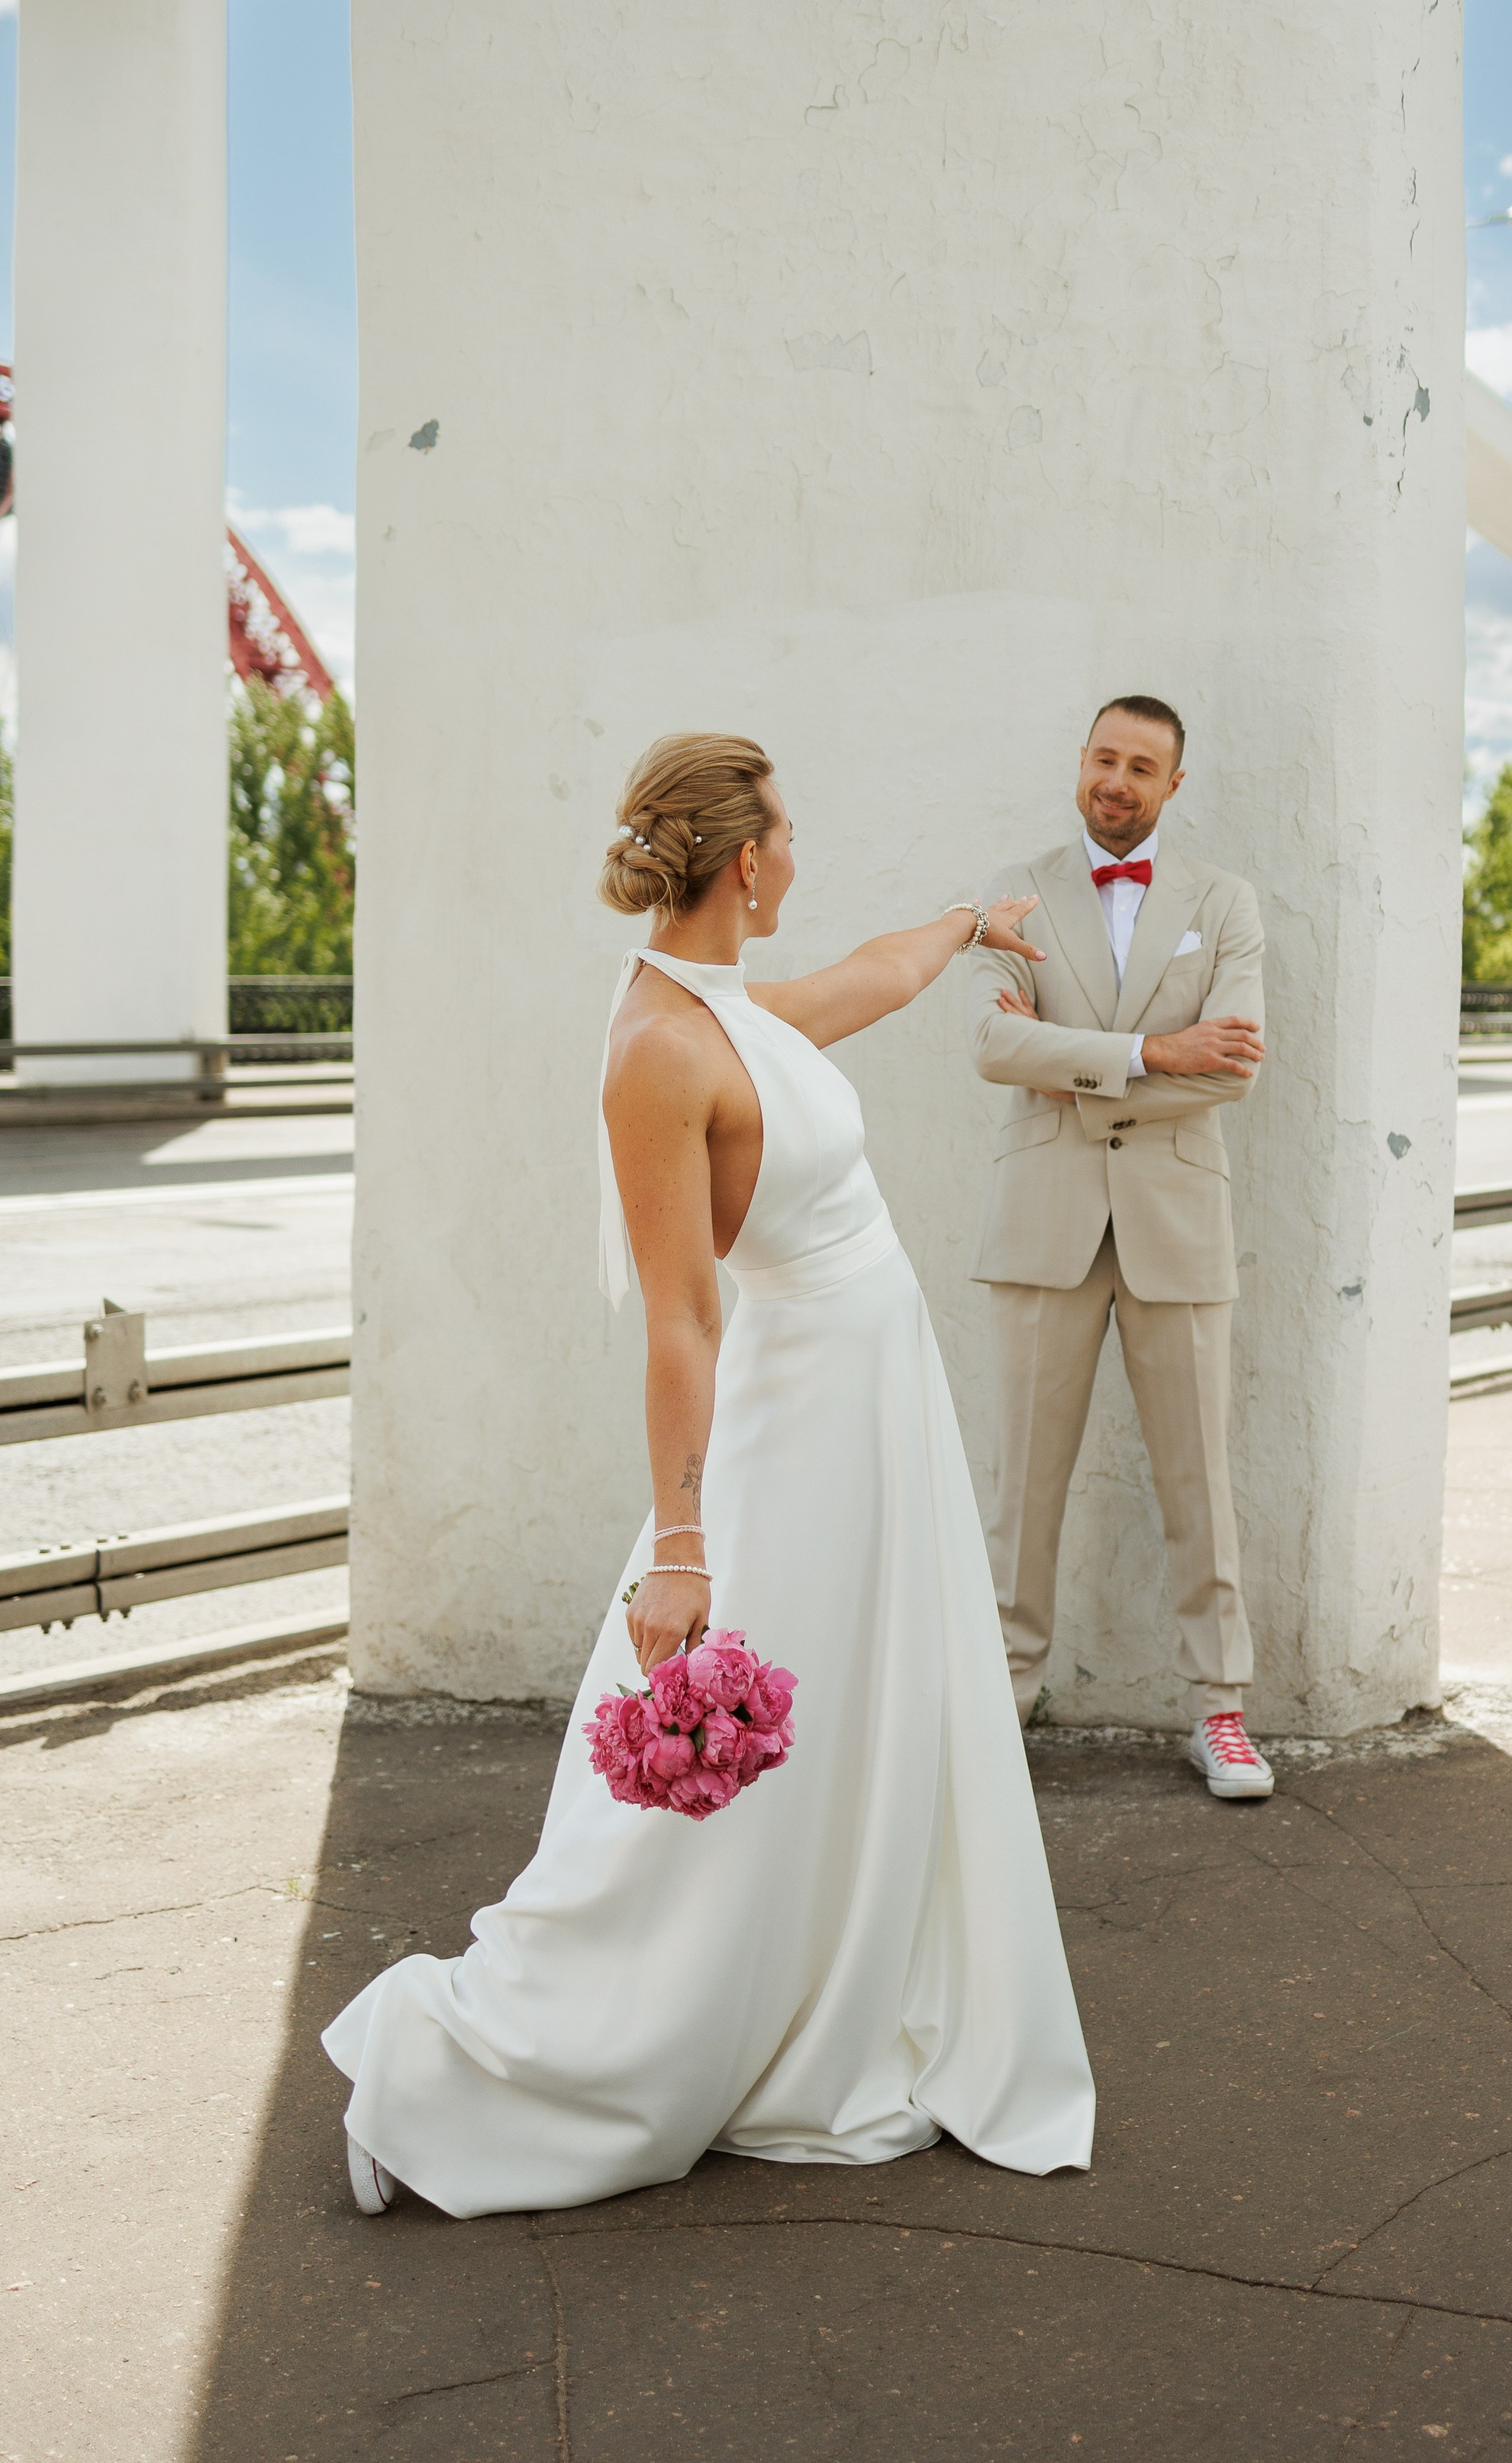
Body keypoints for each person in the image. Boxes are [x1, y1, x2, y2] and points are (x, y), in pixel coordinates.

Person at [324, 731, 1095, 2218]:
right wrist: (680, 1547)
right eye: (790, 833)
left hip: (873, 1425)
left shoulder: (729, 1008)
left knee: (842, 1736)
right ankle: (454, 2067)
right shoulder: (656, 1051)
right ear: (746, 859)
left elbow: (861, 983)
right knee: (713, 1762)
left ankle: (815, 1993)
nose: (799, 854)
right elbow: (681, 1317)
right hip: (792, 1441)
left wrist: (965, 924)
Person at [966, 695, 1273, 1800]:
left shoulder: (1224, 903)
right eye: (1104, 757)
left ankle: (1220, 1711)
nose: (1119, 780)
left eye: (1143, 766)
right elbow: (996, 1043)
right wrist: (1153, 1050)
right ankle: (1002, 1702)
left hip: (1177, 1227)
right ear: (1081, 761)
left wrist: (1085, 1063)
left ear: (1173, 785)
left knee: (1202, 1482)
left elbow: (1235, 1067)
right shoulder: (1019, 893)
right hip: (1043, 1224)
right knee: (1019, 1490)